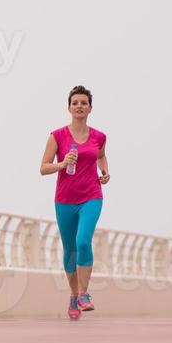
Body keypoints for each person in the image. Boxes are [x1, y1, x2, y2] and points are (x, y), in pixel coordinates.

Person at [39, 85, 111, 321]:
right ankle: (72, 295)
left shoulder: (99, 136)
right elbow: (43, 168)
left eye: (84, 103)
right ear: (69, 107)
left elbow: (100, 155)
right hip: (65, 199)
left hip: (91, 195)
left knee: (82, 241)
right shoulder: (57, 136)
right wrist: (62, 164)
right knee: (69, 249)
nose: (79, 106)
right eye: (75, 103)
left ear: (90, 108)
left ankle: (84, 294)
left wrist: (105, 171)